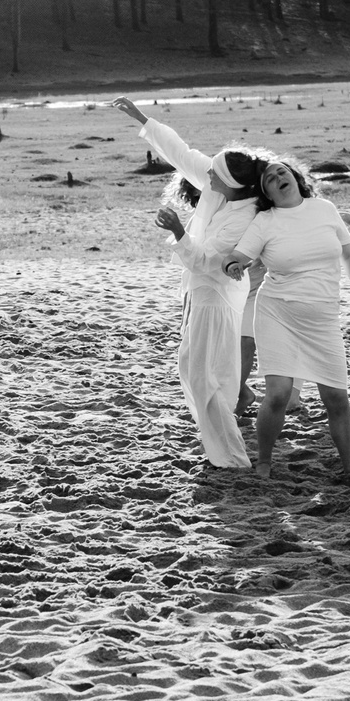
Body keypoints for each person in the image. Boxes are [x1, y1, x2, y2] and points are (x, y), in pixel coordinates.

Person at [111, 97, 262, 470]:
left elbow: (210, 262)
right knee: (195, 369)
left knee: (205, 374)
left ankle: (230, 456)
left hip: (216, 297)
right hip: (198, 293)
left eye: (213, 173)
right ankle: (219, 443)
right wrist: (144, 119)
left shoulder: (243, 216)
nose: (205, 175)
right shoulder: (218, 187)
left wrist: (180, 231)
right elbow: (182, 153)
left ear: (229, 182)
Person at [225, 155, 350, 480]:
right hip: (276, 314)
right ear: (267, 193)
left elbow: (348, 255)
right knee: (280, 394)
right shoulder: (266, 221)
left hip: (322, 319)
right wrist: (234, 266)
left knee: (336, 397)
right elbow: (237, 256)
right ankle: (265, 464)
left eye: (282, 171)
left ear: (296, 178)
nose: (277, 176)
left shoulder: (324, 209)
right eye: (270, 177)